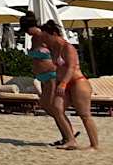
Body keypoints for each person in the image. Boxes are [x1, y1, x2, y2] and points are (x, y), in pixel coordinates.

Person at [19, 13, 76, 147]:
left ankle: (69, 136)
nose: (26, 33)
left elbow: (60, 45)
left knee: (53, 107)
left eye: (26, 30)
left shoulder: (44, 36)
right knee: (47, 106)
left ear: (30, 27)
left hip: (51, 74)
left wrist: (58, 60)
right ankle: (67, 135)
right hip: (43, 76)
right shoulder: (34, 38)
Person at [41, 18, 99, 151]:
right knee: (56, 108)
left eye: (46, 37)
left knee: (84, 115)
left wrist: (63, 83)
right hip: (63, 83)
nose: (44, 40)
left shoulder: (68, 47)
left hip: (77, 82)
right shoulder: (53, 49)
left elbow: (71, 67)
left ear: (54, 34)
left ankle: (94, 145)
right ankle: (71, 139)